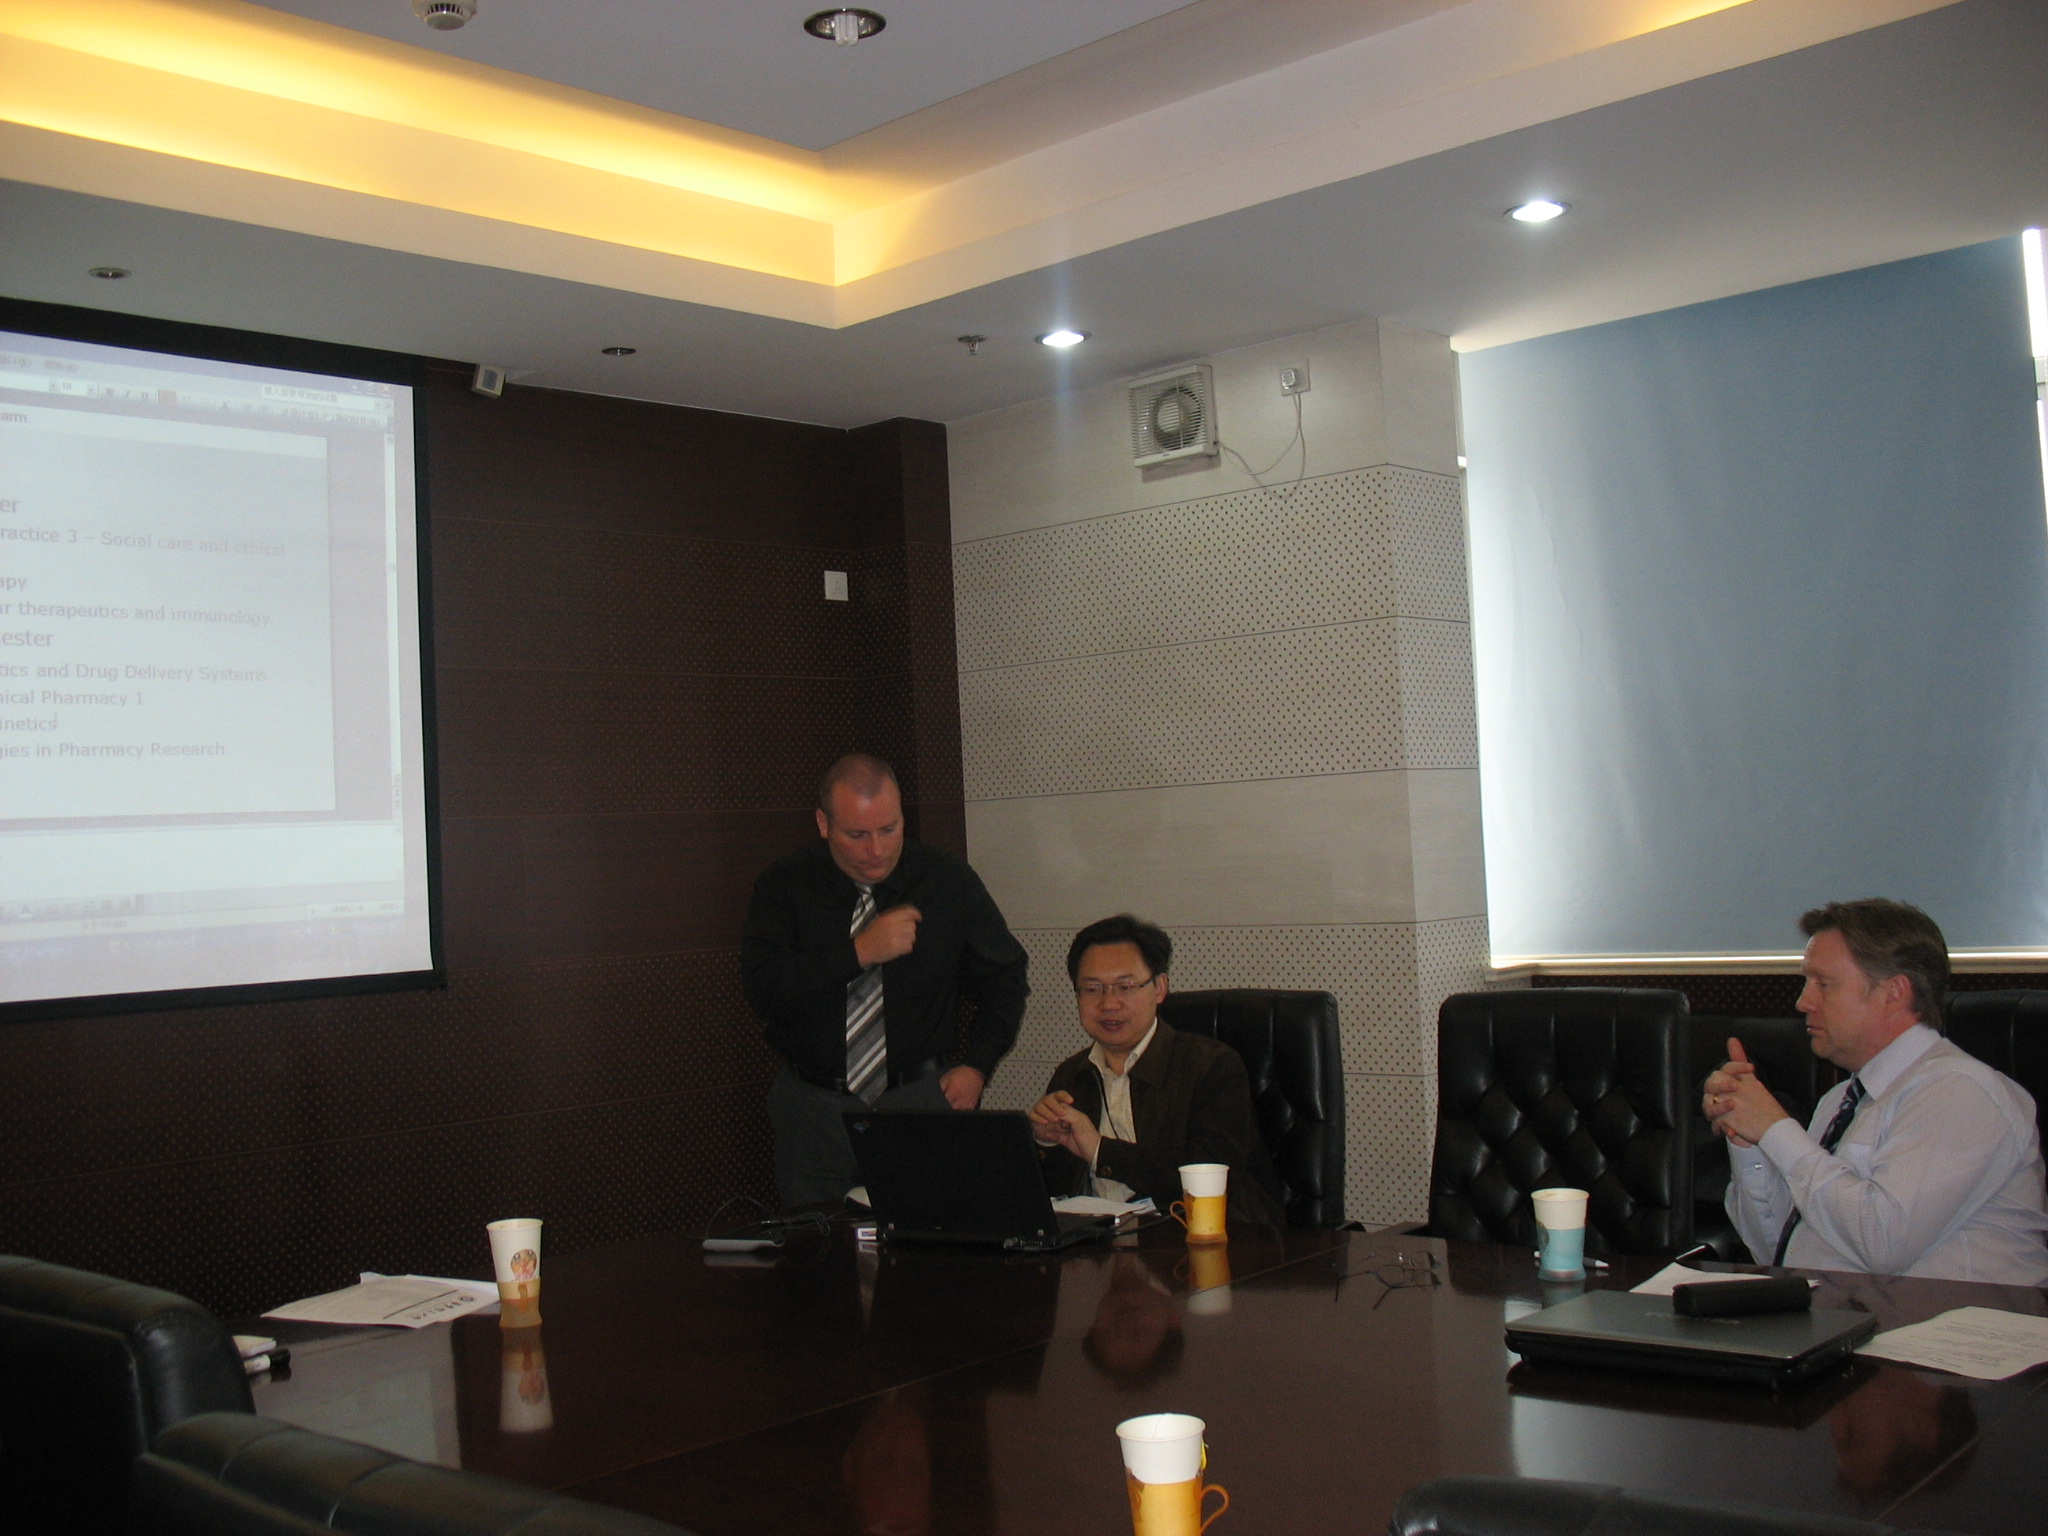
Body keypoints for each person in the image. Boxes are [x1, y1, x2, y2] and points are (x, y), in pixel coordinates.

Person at [1705, 899, 2048, 1284]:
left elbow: (1884, 1244)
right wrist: (1749, 1139)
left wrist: (1775, 1129)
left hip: (1955, 1319)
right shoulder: (1840, 1100)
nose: (1803, 1002)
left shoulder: (1962, 1092)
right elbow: (1779, 1251)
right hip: (1845, 1313)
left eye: (1823, 984)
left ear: (1893, 993)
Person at [742, 753, 1029, 1208]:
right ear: (824, 824)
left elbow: (1005, 978)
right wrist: (858, 953)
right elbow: (764, 989)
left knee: (928, 1236)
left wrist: (978, 1065)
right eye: (857, 835)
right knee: (814, 1243)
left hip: (918, 1100)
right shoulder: (785, 885)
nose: (876, 850)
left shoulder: (945, 880)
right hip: (814, 1108)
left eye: (889, 829)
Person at [1029, 914, 1286, 1226]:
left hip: (1192, 1238)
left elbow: (1210, 1173)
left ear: (1159, 988)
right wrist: (1044, 1143)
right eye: (1092, 989)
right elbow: (1053, 1196)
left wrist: (1099, 1150)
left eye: (1125, 986)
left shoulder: (1212, 1066)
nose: (1109, 1003)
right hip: (1096, 1245)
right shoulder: (1072, 1074)